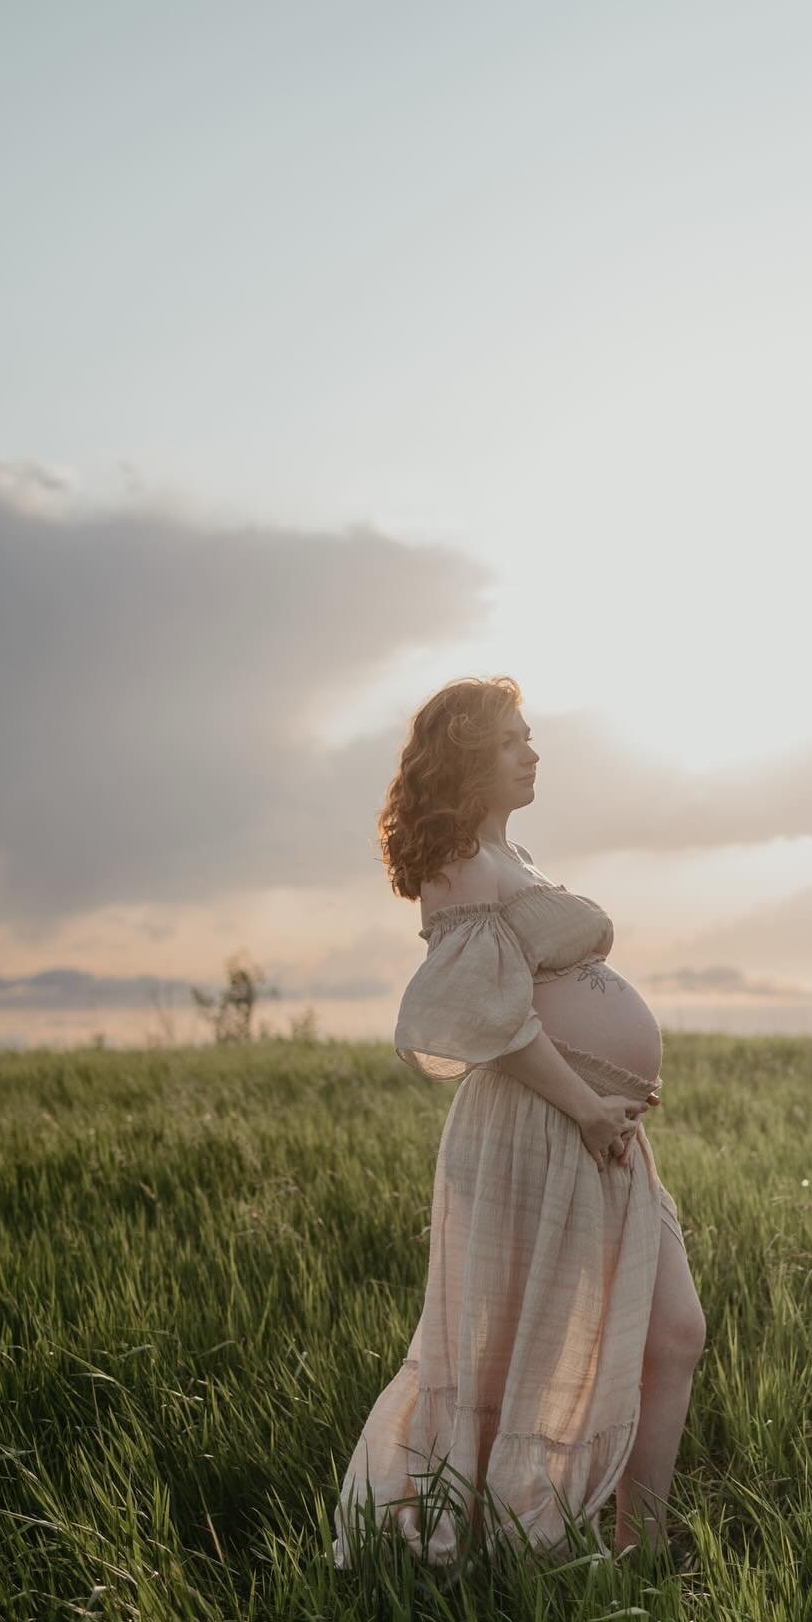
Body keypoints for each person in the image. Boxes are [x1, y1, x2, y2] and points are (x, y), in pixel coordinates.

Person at [333, 674, 706, 1573]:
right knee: (509, 1352)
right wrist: (585, 1105)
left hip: (597, 1126)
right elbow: (479, 1015)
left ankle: (639, 1548)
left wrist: (606, 1101)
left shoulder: (515, 856)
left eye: (529, 736)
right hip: (541, 1128)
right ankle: (500, 1548)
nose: (532, 752)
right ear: (465, 756)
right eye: (510, 740)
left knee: (674, 1333)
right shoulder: (461, 862)